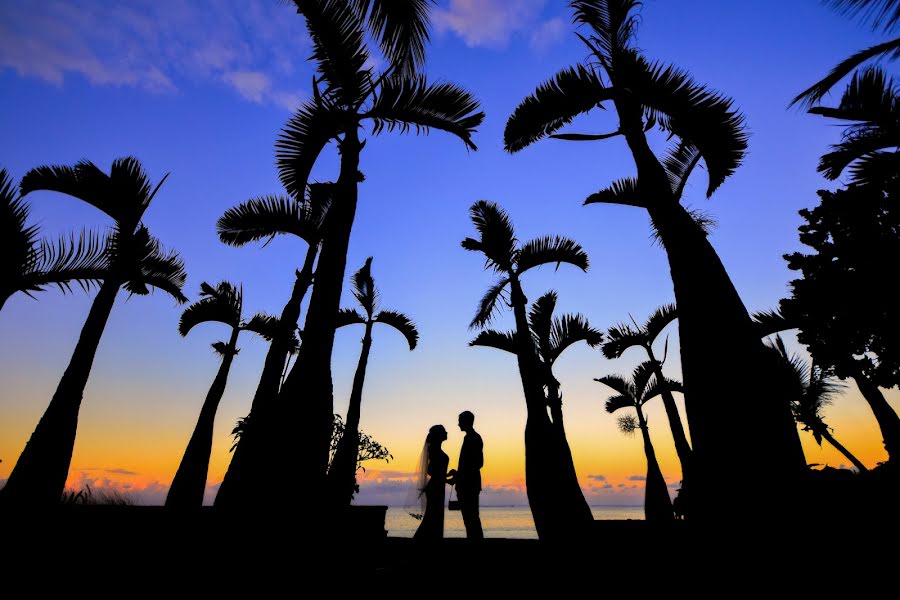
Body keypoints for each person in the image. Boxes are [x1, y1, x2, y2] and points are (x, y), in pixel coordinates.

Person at [448, 410, 483, 540]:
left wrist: (459, 476)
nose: (458, 424)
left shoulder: (473, 438)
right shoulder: (470, 437)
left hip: (469, 485)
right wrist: (457, 475)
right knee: (470, 518)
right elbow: (469, 465)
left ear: (466, 422)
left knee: (471, 518)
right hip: (467, 484)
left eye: (460, 421)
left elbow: (477, 463)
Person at [413, 424, 449, 542]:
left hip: (438, 486)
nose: (446, 432)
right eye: (444, 431)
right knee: (432, 518)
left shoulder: (436, 449)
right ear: (439, 435)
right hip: (435, 488)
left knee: (434, 518)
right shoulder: (434, 449)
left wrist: (446, 477)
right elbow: (431, 470)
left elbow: (436, 472)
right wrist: (445, 478)